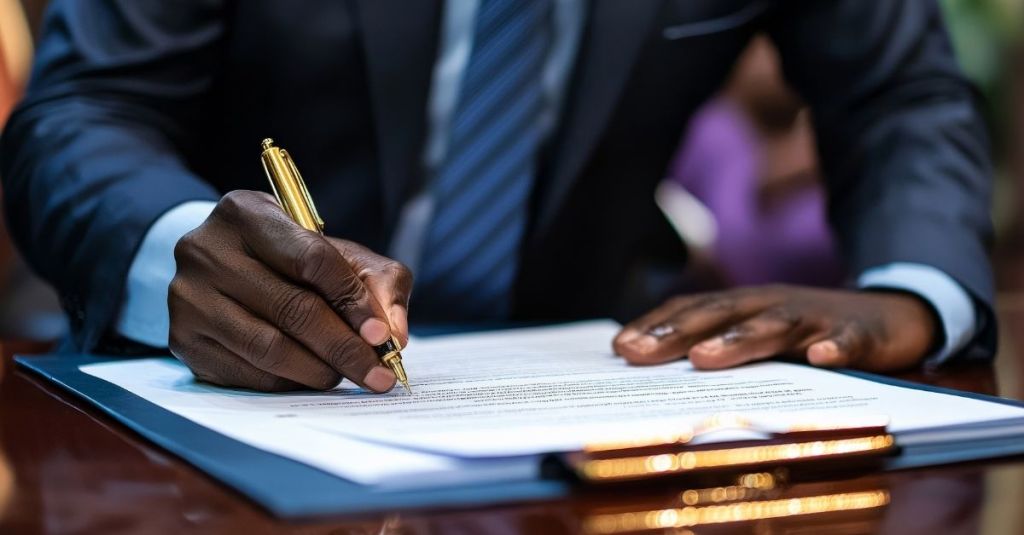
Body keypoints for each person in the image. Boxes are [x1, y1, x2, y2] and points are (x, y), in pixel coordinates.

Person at [0, 0, 994, 393]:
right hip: (214, 393)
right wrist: (176, 247)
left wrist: (915, 287)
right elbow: (81, 112)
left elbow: (896, 92)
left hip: (589, 391)